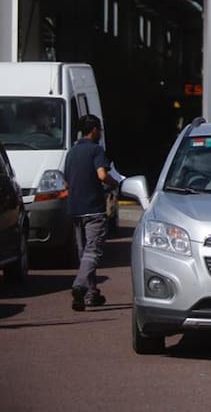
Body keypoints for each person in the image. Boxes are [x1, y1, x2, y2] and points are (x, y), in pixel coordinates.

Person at [64, 114, 118, 311]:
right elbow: (102, 175)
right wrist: (115, 183)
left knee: (84, 253)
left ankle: (90, 294)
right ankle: (79, 285)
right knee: (93, 251)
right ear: (94, 130)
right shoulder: (96, 150)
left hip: (75, 209)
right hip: (93, 208)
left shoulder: (71, 152)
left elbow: (66, 182)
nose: (100, 133)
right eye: (99, 130)